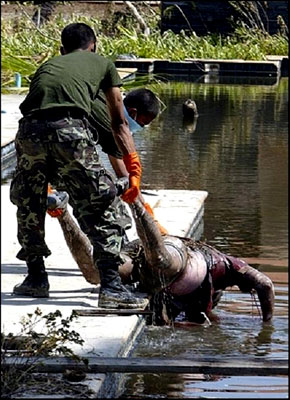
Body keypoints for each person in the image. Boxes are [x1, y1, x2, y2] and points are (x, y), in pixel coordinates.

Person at [10, 22, 154, 309]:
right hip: (69, 130)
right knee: (100, 201)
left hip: (28, 132)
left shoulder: (50, 64)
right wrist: (133, 166)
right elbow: (118, 122)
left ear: (62, 49)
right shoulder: (103, 64)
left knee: (29, 202)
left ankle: (36, 279)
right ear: (94, 45)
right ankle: (112, 288)